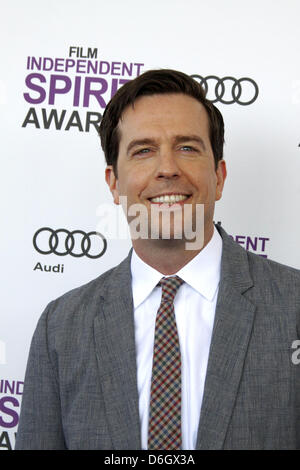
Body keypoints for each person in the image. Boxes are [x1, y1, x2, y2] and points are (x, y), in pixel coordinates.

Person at [15, 69, 300, 450]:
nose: (167, 168)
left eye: (187, 147)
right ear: (114, 182)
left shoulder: (293, 305)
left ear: (219, 174)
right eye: (144, 150)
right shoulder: (61, 327)